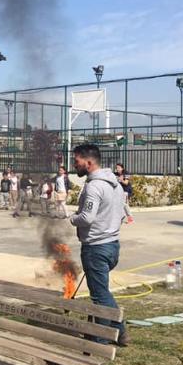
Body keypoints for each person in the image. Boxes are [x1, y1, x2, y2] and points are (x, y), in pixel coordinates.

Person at [69, 144, 128, 346]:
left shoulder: (94, 186)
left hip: (96, 247)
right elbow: (122, 213)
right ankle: (117, 333)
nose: (73, 165)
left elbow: (86, 217)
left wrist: (71, 218)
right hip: (112, 245)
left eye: (76, 161)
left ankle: (106, 336)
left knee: (99, 295)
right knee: (102, 290)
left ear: (89, 162)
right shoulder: (116, 184)